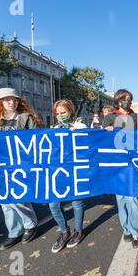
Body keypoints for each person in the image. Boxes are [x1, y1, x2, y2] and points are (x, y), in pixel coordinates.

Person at [0, 88, 40, 251]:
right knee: (5, 200)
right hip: (0, 165)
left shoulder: (26, 118)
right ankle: (14, 232)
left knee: (19, 196)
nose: (12, 102)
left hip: (21, 164)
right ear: (0, 103)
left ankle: (30, 225)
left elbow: (36, 139)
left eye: (14, 100)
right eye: (7, 100)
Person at [103, 89, 138, 248]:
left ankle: (135, 232)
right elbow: (102, 141)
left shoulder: (136, 117)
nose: (128, 102)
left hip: (133, 162)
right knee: (121, 199)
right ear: (118, 100)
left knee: (134, 198)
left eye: (130, 99)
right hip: (116, 164)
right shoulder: (109, 118)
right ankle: (126, 228)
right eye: (125, 99)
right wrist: (107, 132)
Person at [49, 100, 88, 253]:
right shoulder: (54, 129)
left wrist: (77, 135)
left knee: (77, 202)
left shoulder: (80, 127)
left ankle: (79, 230)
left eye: (63, 112)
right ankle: (65, 231)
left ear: (70, 112)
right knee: (53, 204)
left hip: (76, 171)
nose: (60, 116)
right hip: (58, 173)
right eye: (57, 114)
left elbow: (88, 146)